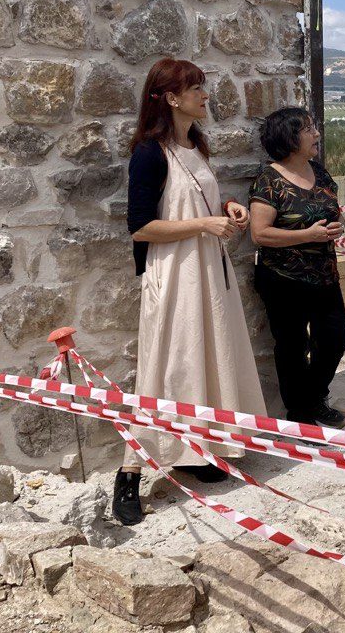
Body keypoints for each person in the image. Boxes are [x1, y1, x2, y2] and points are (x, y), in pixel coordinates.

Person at [118, 58, 268, 525]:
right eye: (196, 88)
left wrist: (226, 208)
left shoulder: (196, 146)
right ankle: (128, 474)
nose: (205, 95)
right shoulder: (148, 152)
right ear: (170, 98)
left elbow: (192, 198)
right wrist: (204, 223)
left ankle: (197, 451)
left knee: (207, 356)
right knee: (169, 363)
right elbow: (140, 227)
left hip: (206, 269)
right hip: (176, 273)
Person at [247, 107, 345, 427]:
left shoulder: (319, 172)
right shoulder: (269, 180)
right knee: (293, 346)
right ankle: (301, 412)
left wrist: (339, 226)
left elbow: (336, 213)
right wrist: (309, 235)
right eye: (308, 129)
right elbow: (260, 233)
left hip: (324, 274)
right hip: (283, 278)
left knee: (336, 337)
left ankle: (314, 398)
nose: (316, 134)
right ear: (289, 139)